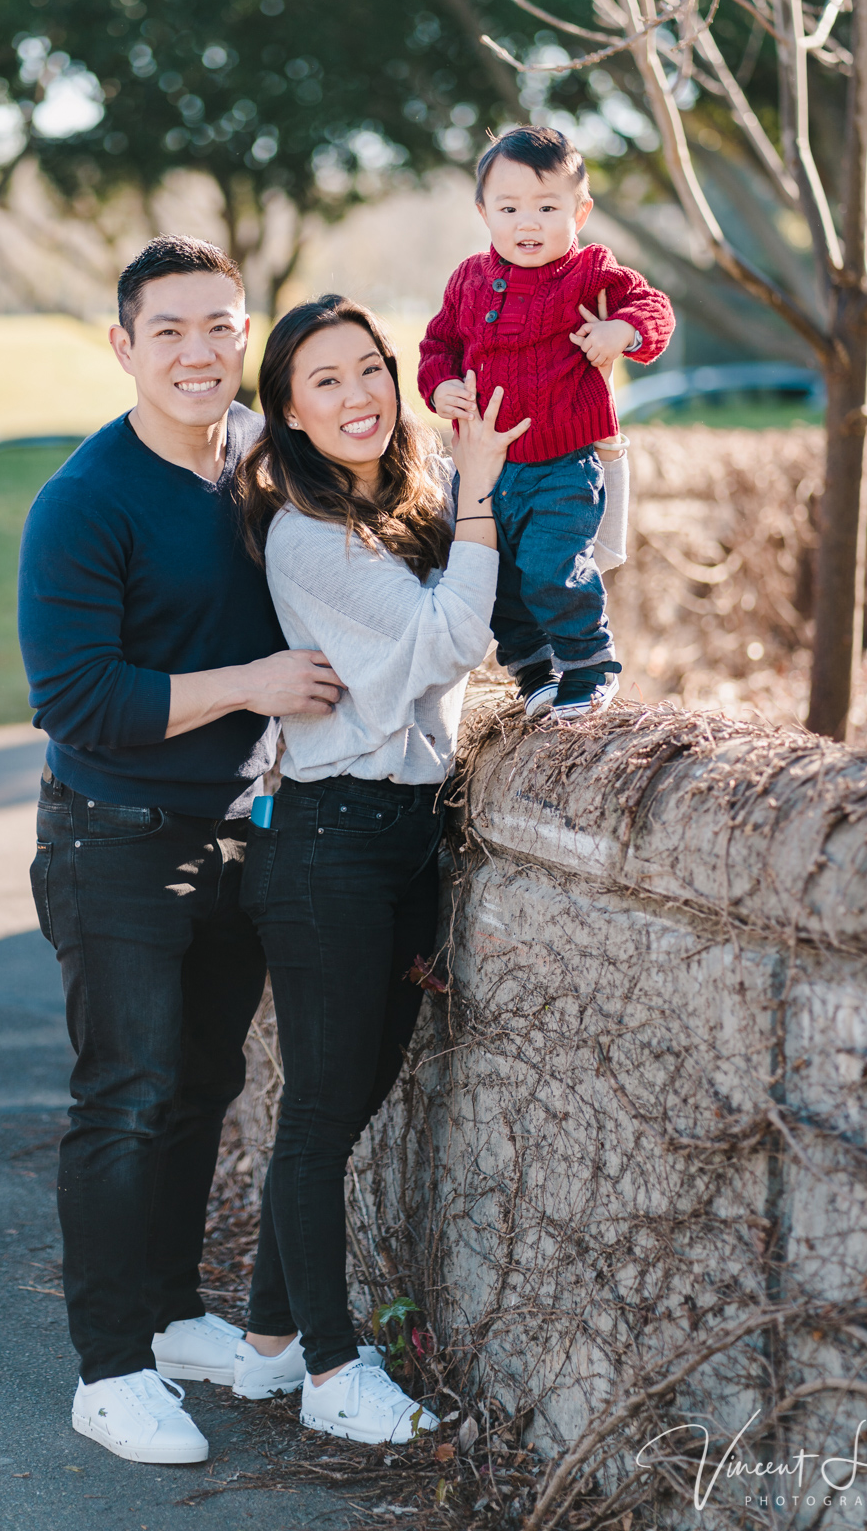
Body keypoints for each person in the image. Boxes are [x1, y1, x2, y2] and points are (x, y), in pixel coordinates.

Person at [17, 236, 343, 1466]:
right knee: (127, 1095)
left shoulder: (259, 464)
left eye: (222, 327)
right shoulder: (85, 502)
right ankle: (107, 1374)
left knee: (201, 1087)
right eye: (171, 331)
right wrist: (252, 682)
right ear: (124, 347)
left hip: (237, 837)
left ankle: (166, 1317)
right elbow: (80, 702)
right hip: (113, 839)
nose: (200, 353)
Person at [232, 294, 528, 1445]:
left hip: (400, 837)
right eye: (327, 382)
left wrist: (459, 504)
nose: (360, 397)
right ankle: (329, 1372)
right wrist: (486, 492)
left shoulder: (391, 509)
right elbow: (447, 640)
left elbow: (446, 637)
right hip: (327, 846)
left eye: (371, 371)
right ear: (291, 415)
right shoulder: (308, 536)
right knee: (317, 1117)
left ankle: (265, 1344)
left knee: (345, 1105)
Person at [418, 125, 674, 720]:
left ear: (580, 210)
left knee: (550, 568)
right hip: (485, 468)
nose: (527, 223)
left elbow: (652, 306)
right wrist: (442, 386)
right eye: (509, 208)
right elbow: (438, 346)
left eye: (547, 206)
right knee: (497, 578)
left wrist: (622, 331)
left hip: (562, 464)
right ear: (483, 211)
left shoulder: (589, 271)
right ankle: (533, 670)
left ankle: (587, 664)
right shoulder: (468, 280)